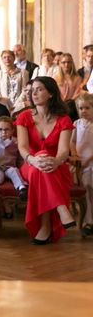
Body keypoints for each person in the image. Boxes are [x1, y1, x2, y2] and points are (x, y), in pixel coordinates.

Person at [15, 76, 76, 244]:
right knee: (39, 164)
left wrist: (55, 161)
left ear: (50, 93)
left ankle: (45, 225)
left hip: (56, 165)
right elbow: (23, 147)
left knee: (43, 170)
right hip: (30, 164)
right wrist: (33, 160)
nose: (34, 93)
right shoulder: (24, 117)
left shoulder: (64, 120)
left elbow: (63, 151)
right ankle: (61, 208)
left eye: (39, 89)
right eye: (32, 90)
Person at [70, 93, 93, 237]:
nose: (83, 111)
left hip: (91, 161)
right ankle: (88, 221)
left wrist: (88, 159)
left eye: (87, 108)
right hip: (80, 163)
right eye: (80, 108)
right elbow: (72, 141)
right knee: (85, 189)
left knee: (91, 188)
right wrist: (74, 155)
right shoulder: (76, 124)